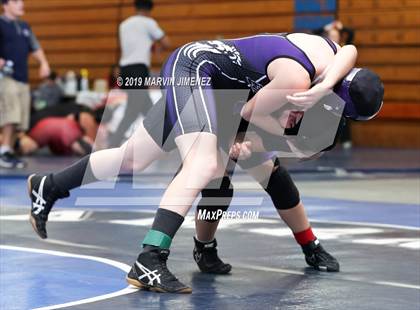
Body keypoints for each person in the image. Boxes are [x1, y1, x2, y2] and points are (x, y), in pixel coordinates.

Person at [27, 33, 384, 293]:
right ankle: (150, 258)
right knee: (206, 167)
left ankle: (49, 186)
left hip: (215, 83)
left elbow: (350, 50)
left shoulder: (329, 54)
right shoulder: (296, 80)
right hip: (201, 75)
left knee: (132, 158)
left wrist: (257, 137)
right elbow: (247, 113)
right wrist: (268, 140)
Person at [109, 0, 170, 147]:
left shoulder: (124, 25)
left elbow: (133, 44)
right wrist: (158, 48)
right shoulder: (148, 23)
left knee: (147, 107)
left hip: (125, 70)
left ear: (135, 7)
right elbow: (167, 42)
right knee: (133, 110)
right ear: (149, 10)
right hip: (138, 70)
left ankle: (163, 139)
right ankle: (114, 143)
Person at [0, 0, 50, 168]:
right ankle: (4, 151)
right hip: (6, 77)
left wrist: (43, 63)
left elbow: (35, 47)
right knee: (11, 114)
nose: (21, 4)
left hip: (23, 78)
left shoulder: (25, 26)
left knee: (20, 120)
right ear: (5, 5)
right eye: (15, 1)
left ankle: (7, 151)